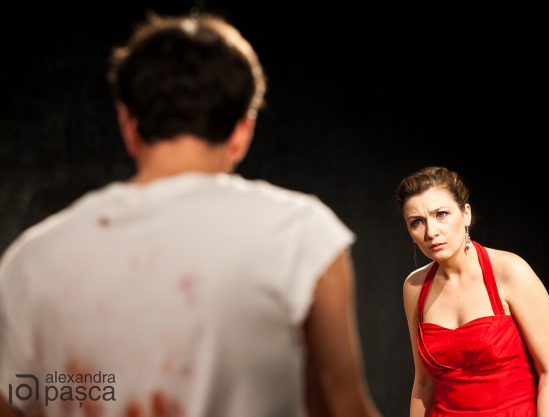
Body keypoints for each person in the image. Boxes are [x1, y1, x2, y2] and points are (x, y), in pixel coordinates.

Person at [0, 13, 383, 417]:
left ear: (128, 124)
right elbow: (343, 406)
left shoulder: (32, 260)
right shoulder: (301, 236)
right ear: (242, 131)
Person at [398, 166, 549, 417]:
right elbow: (423, 384)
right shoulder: (414, 287)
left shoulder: (510, 272)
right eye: (417, 222)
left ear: (466, 214)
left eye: (441, 214)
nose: (431, 232)